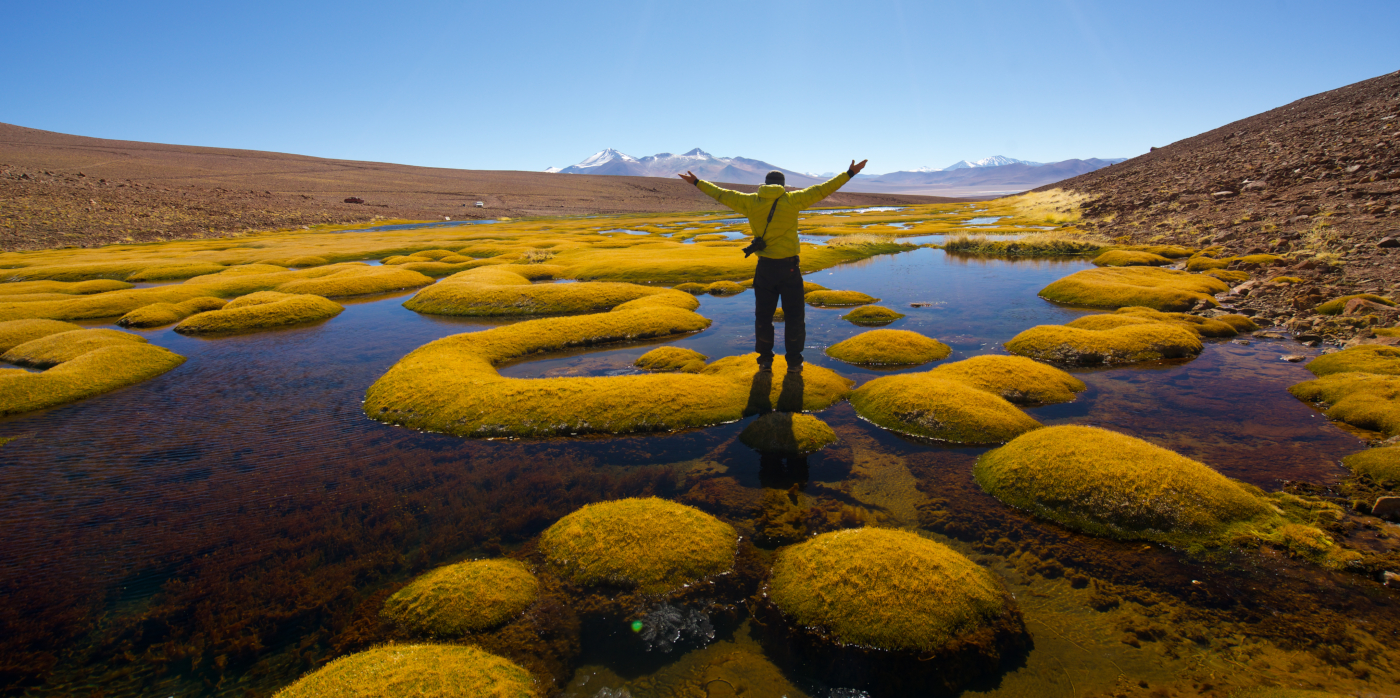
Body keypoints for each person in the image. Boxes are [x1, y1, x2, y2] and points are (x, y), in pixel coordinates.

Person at [679, 161, 867, 374]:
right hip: (789, 269)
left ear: (765, 184)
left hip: (765, 268)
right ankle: (794, 363)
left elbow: (721, 194)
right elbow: (824, 189)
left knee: (763, 315)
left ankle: (765, 361)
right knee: (794, 316)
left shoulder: (749, 201)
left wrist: (696, 181)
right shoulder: (793, 199)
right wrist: (850, 173)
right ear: (783, 186)